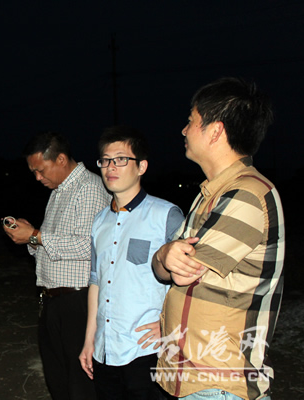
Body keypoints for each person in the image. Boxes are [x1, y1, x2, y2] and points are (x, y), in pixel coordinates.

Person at [152, 77, 285, 400]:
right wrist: (165, 254)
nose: (184, 130)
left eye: (191, 121)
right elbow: (163, 267)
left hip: (220, 382)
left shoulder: (248, 194)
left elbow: (181, 271)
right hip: (198, 378)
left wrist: (166, 256)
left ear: (215, 131)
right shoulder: (210, 194)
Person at [78, 126, 184, 399]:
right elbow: (96, 282)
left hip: (147, 349)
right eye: (105, 160)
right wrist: (89, 340)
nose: (111, 167)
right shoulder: (100, 221)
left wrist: (168, 325)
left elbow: (189, 282)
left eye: (121, 159)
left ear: (141, 167)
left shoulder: (166, 215)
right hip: (105, 348)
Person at [3, 131, 110, 400]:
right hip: (53, 301)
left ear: (61, 159)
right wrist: (30, 237)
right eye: (34, 172)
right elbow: (53, 246)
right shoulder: (59, 191)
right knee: (58, 379)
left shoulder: (89, 188)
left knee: (80, 383)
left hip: (78, 301)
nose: (38, 178)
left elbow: (89, 246)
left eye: (40, 170)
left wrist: (36, 236)